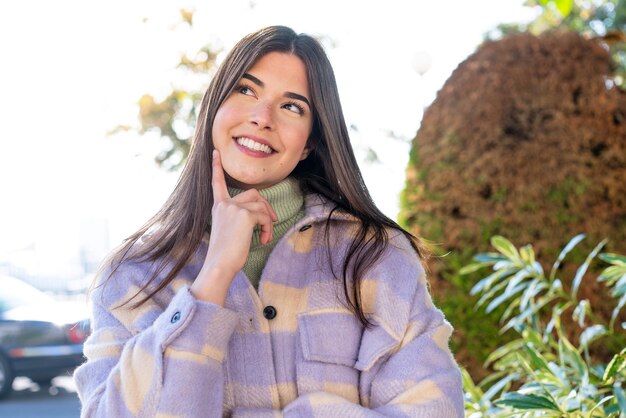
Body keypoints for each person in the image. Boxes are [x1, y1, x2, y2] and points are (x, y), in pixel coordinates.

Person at [74, 25, 464, 417]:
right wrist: (212, 280)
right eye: (246, 90)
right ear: (214, 108)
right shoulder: (131, 276)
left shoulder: (375, 257)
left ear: (311, 141)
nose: (262, 118)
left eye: (292, 106)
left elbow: (433, 409)